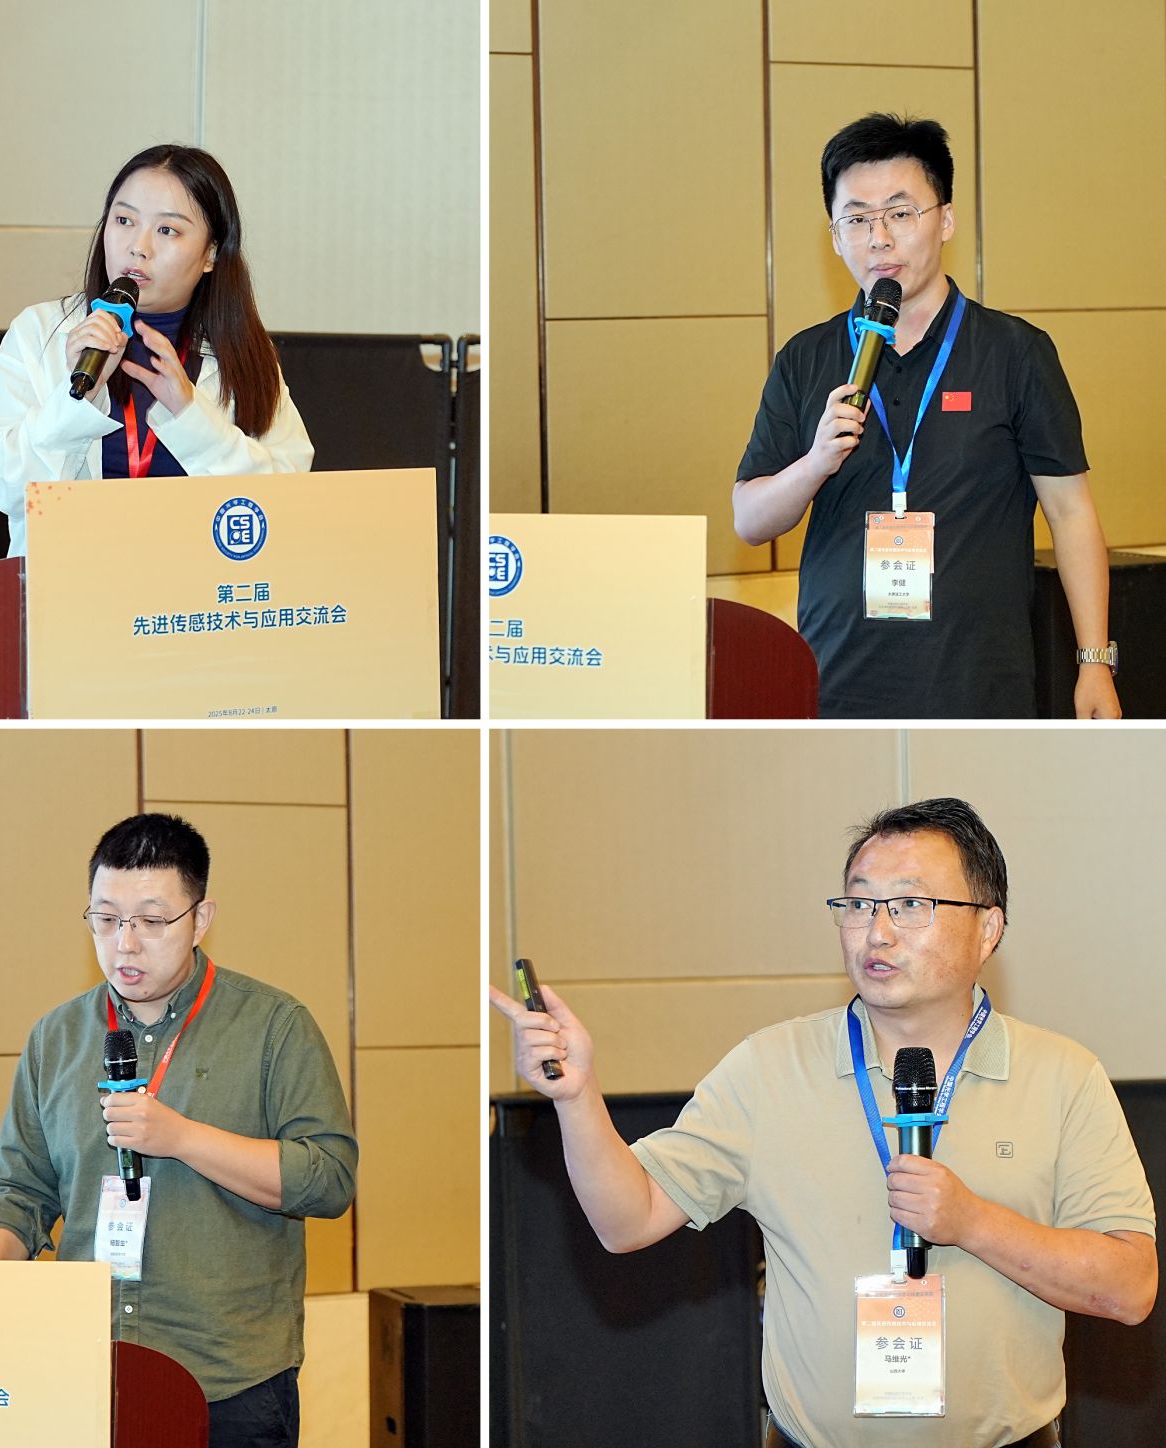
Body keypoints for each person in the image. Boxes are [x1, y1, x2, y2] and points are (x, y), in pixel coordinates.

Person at [490, 797, 1155, 1448]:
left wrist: (973, 1223)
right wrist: (576, 1097)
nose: (878, 931)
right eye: (859, 904)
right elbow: (626, 1220)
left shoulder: (1063, 1076)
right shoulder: (768, 1067)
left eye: (910, 905)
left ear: (988, 928)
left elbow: (1130, 1288)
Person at [0, 813, 355, 1448]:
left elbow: (330, 1180)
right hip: (86, 1368)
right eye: (106, 919)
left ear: (200, 919)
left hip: (228, 1382)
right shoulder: (56, 1037)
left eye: (151, 921)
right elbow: (18, 1190)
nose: (125, 943)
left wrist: (182, 1139)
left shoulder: (274, 1026)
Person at [732, 114, 1118, 720]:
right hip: (839, 684)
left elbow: (1071, 513)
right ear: (834, 236)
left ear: (946, 220)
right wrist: (814, 463)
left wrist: (1094, 661)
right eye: (857, 219)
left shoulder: (1015, 353)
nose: (879, 239)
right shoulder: (806, 358)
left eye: (900, 212)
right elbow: (750, 521)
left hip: (978, 684)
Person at [0, 144, 313, 556]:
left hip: (196, 588)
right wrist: (76, 399)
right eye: (124, 220)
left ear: (211, 254)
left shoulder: (243, 351)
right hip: (71, 582)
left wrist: (193, 417)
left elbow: (289, 502)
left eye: (167, 230)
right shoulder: (40, 332)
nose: (138, 246)